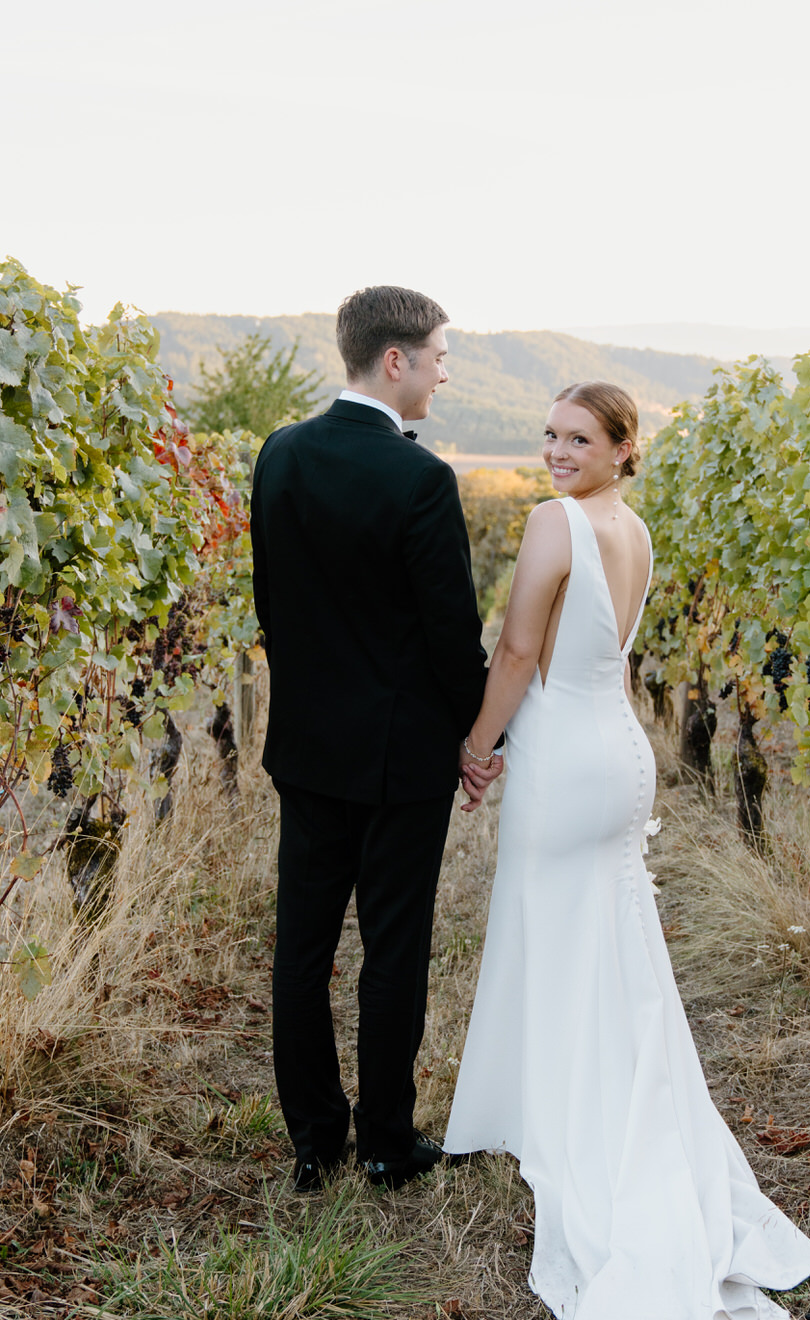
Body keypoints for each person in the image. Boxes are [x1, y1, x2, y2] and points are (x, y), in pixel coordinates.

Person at [446, 381, 810, 1320]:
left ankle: (572, 1128)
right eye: (548, 434)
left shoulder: (552, 524)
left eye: (579, 437)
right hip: (620, 754)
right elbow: (609, 662)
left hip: (564, 758)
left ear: (624, 446)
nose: (555, 451)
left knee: (558, 935)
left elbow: (516, 649)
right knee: (614, 949)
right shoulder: (637, 531)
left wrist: (477, 747)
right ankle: (614, 1112)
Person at [251, 285, 500, 1192]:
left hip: (307, 751)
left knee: (302, 950)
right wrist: (480, 738)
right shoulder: (421, 479)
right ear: (394, 361)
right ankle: (389, 1144)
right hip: (400, 762)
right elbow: (450, 637)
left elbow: (270, 607)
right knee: (394, 950)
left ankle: (316, 1141)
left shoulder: (279, 454)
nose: (443, 373)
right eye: (438, 357)